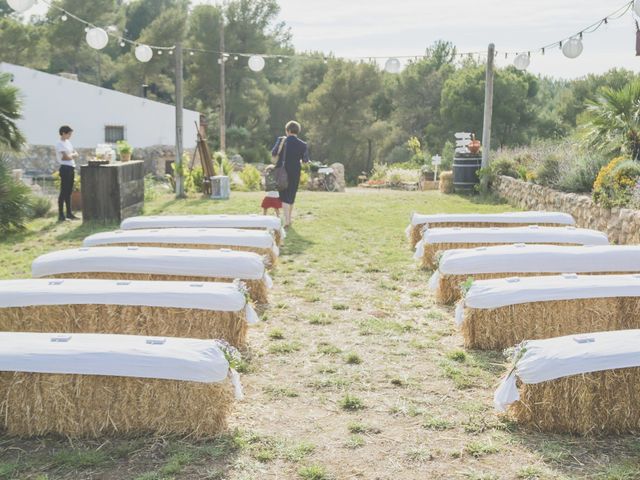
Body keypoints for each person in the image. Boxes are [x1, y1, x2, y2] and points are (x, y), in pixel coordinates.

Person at [271, 120, 309, 228]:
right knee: (291, 195)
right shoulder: (303, 144)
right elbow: (305, 160)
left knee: (284, 196)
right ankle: (289, 219)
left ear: (287, 130)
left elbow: (273, 153)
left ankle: (287, 221)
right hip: (295, 171)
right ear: (298, 131)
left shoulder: (281, 140)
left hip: (281, 171)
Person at [55, 125, 79, 222]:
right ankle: (61, 215)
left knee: (69, 192)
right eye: (69, 134)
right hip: (65, 168)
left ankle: (69, 213)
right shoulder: (59, 144)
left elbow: (73, 153)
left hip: (71, 167)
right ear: (63, 133)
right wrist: (73, 155)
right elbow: (65, 157)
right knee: (63, 192)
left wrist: (72, 155)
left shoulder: (68, 142)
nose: (70, 136)